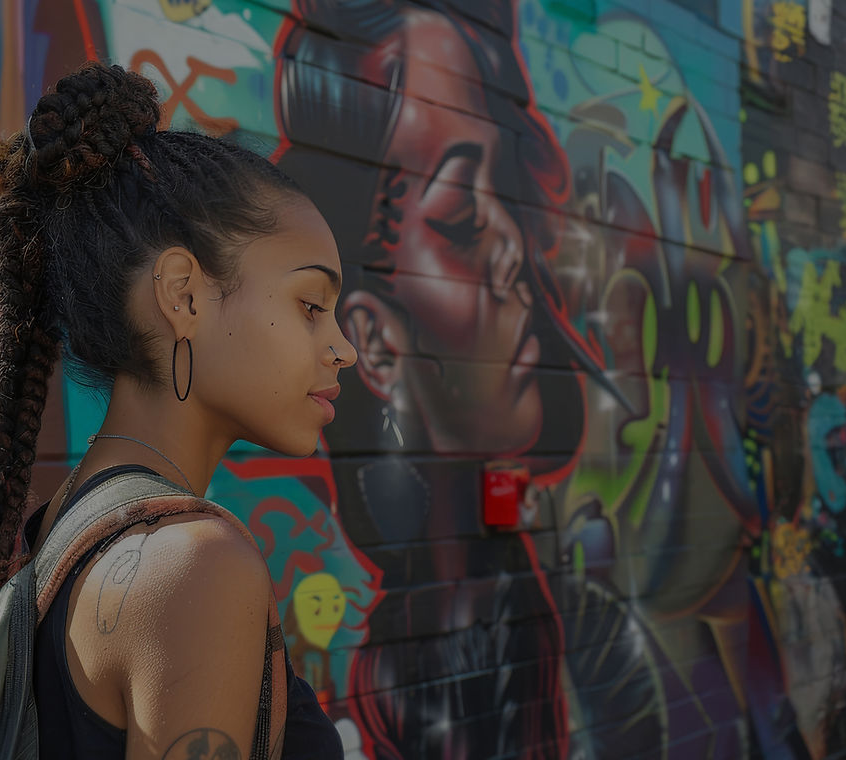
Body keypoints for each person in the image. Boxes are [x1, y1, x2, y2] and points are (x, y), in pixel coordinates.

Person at [273, 2, 663, 757]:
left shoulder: (592, 649)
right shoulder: (343, 715)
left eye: (505, 187)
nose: (513, 248)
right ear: (374, 344)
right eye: (458, 216)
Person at [0, 61, 355, 759]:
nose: (343, 349)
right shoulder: (194, 565)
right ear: (183, 295)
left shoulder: (73, 518)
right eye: (311, 306)